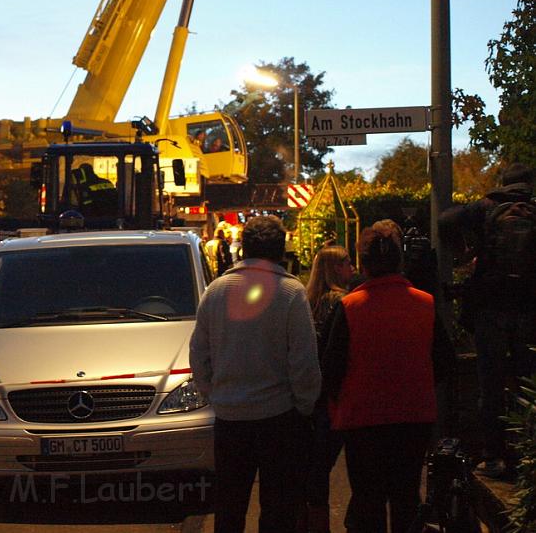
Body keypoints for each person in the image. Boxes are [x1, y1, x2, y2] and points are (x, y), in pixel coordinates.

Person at [322, 221, 455, 533]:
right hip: (414, 418)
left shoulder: (350, 306)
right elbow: (445, 361)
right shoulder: (424, 303)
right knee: (406, 496)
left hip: (362, 419)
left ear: (364, 265)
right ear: (400, 261)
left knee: (368, 500)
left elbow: (331, 368)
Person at [190, 215, 320, 533]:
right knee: (278, 508)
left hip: (230, 420)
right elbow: (304, 362)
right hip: (279, 418)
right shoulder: (291, 293)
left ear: (243, 249)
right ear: (280, 251)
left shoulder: (216, 291)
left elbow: (198, 353)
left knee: (230, 507)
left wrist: (214, 393)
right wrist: (305, 406)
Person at [439, 162, 536, 478]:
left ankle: (493, 456)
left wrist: (467, 250)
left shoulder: (487, 206)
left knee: (490, 384)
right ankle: (526, 455)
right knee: (527, 385)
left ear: (503, 183)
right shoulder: (532, 208)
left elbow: (445, 220)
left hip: (490, 310)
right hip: (528, 309)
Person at [300, 245, 354, 533]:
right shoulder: (342, 302)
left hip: (310, 394)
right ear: (335, 268)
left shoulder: (308, 301)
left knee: (315, 468)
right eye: (347, 262)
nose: (353, 268)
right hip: (334, 396)